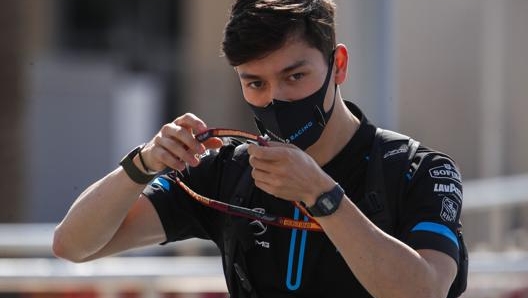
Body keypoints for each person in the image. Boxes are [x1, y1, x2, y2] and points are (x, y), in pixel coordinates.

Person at [53, 0, 466, 297]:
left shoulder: (416, 169)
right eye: (255, 83)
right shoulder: (227, 171)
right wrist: (143, 164)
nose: (276, 98)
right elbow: (73, 245)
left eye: (295, 76)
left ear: (337, 65)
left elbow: (424, 291)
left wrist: (321, 196)